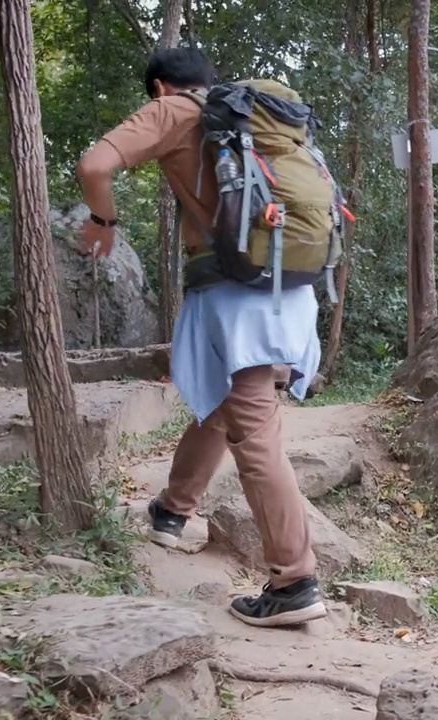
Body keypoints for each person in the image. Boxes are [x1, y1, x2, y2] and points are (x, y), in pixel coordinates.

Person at [76, 48, 327, 628]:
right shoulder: (260, 119)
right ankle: (172, 511)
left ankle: (294, 580)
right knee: (227, 403)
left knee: (255, 426)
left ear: (161, 88)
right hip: (291, 286)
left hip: (234, 289)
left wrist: (103, 222)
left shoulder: (174, 112)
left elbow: (95, 165)